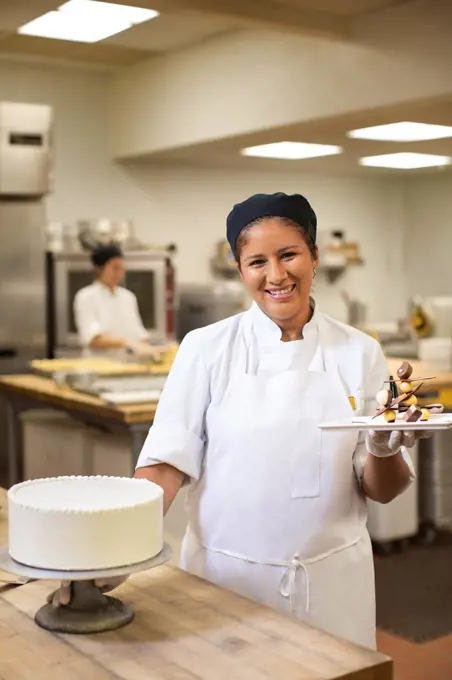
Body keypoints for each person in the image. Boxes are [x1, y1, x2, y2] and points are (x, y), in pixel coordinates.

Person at [53, 193, 421, 649]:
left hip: (333, 588)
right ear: (240, 268)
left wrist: (384, 449)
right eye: (257, 262)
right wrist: (115, 553)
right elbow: (165, 465)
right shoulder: (206, 349)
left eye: (289, 255)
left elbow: (382, 489)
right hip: (225, 585)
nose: (276, 275)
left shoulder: (360, 351)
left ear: (314, 255)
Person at [73, 244, 161, 359]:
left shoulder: (128, 297)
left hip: (131, 367)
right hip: (100, 368)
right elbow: (93, 339)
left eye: (122, 269)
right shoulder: (86, 297)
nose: (119, 274)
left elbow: (140, 336)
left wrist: (153, 350)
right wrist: (126, 344)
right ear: (99, 269)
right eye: (115, 268)